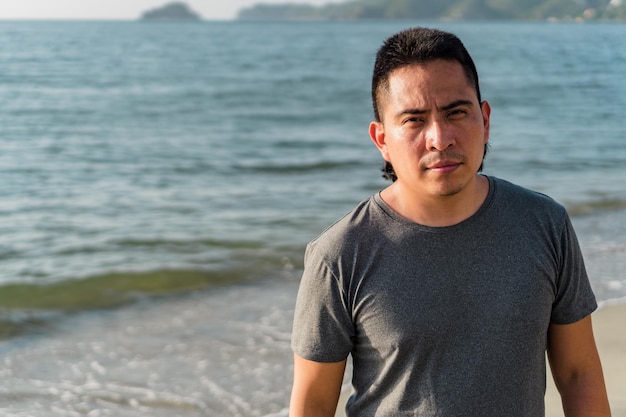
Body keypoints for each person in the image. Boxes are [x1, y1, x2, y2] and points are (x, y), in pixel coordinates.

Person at [289, 27, 611, 417]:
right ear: (382, 140)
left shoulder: (545, 224)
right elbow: (312, 405)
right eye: (414, 120)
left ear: (485, 119)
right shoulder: (340, 255)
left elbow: (579, 374)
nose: (440, 138)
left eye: (456, 112)